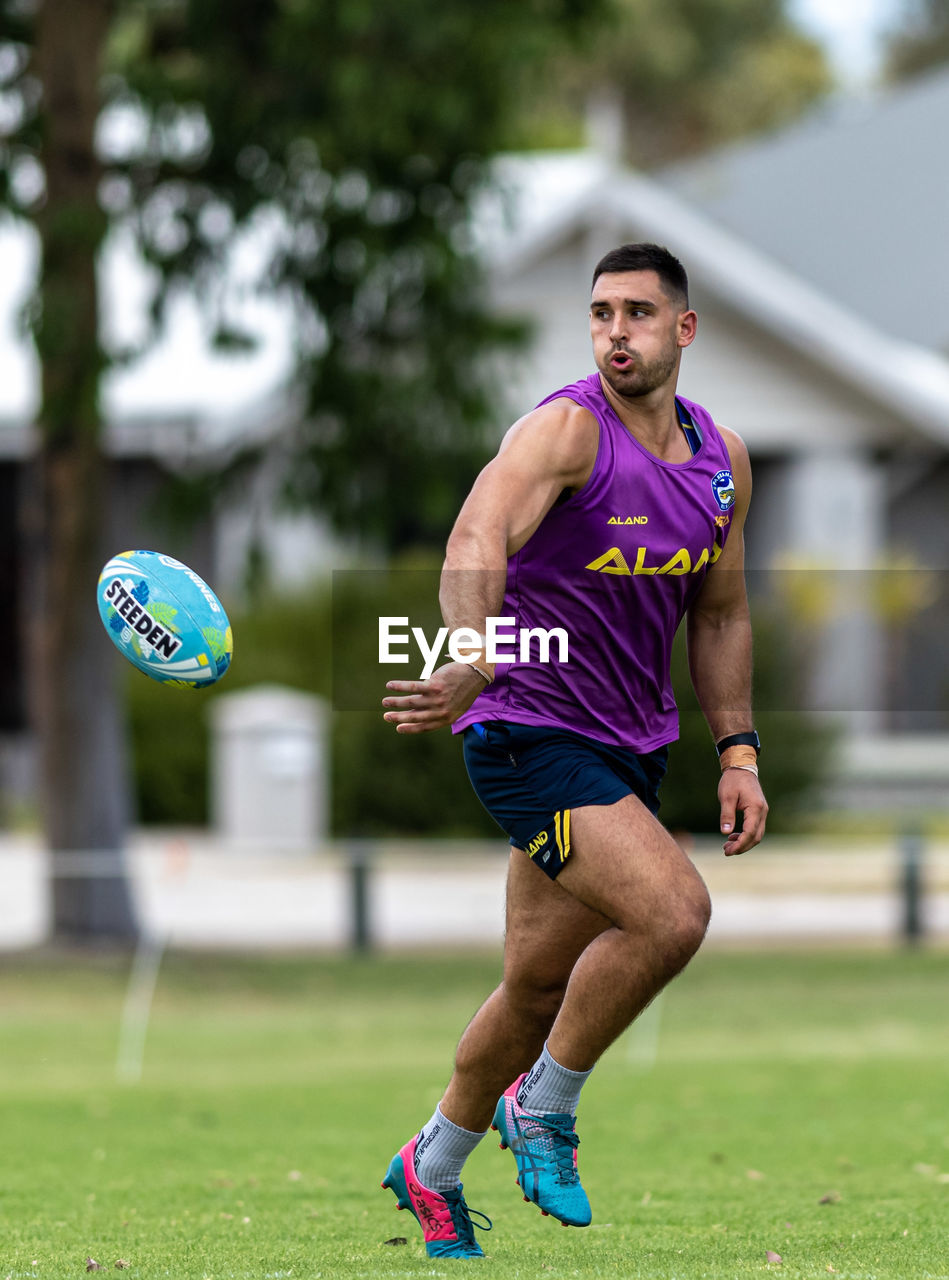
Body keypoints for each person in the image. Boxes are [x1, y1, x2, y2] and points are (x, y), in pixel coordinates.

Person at [380, 242, 768, 1258]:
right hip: (527, 728)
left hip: (626, 742)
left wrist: (738, 751)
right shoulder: (563, 431)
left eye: (637, 313)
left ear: (682, 330)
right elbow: (477, 538)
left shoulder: (719, 460)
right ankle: (542, 1106)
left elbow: (720, 614)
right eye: (599, 313)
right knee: (674, 911)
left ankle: (432, 1161)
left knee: (535, 986)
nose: (614, 333)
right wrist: (471, 646)